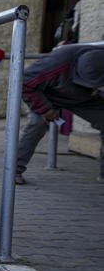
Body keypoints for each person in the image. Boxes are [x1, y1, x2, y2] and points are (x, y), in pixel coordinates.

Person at [18, 43, 104, 183]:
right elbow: (24, 83)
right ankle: (14, 170)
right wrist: (45, 109)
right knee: (36, 125)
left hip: (84, 96)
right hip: (47, 95)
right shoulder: (55, 64)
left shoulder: (98, 56)